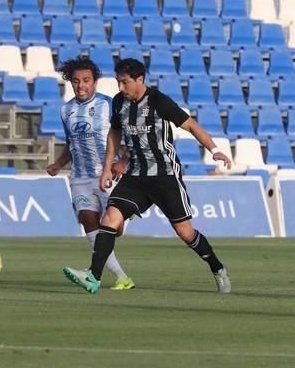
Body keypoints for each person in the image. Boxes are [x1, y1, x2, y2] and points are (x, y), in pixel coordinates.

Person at [63, 58, 232, 295]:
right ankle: (94, 276)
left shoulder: (159, 101)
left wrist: (214, 150)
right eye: (119, 82)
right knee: (109, 219)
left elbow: (191, 125)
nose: (120, 88)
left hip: (165, 177)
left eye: (125, 82)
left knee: (185, 233)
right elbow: (114, 133)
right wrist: (106, 169)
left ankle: (217, 267)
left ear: (139, 79)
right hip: (135, 177)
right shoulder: (120, 102)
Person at [46, 56, 135, 291]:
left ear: (95, 82)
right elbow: (71, 143)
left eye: (86, 80)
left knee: (113, 228)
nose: (81, 86)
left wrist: (124, 160)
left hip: (107, 176)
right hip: (80, 178)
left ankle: (124, 218)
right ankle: (121, 277)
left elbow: (130, 138)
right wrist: (58, 164)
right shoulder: (66, 111)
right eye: (76, 81)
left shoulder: (110, 105)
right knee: (89, 221)